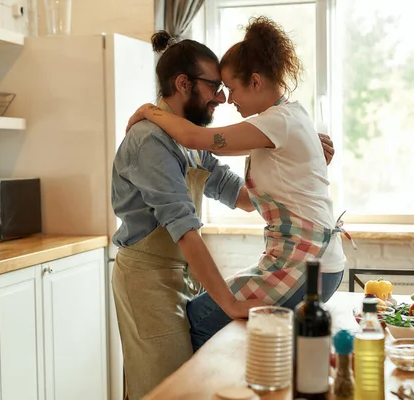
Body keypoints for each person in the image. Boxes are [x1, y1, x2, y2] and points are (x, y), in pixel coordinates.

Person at [111, 30, 335, 398]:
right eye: (214, 86)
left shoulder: (191, 138)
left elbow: (244, 197)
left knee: (194, 381)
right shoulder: (150, 140)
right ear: (183, 84)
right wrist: (229, 302)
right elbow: (185, 229)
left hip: (183, 274)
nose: (222, 97)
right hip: (147, 283)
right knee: (166, 390)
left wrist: (302, 159)